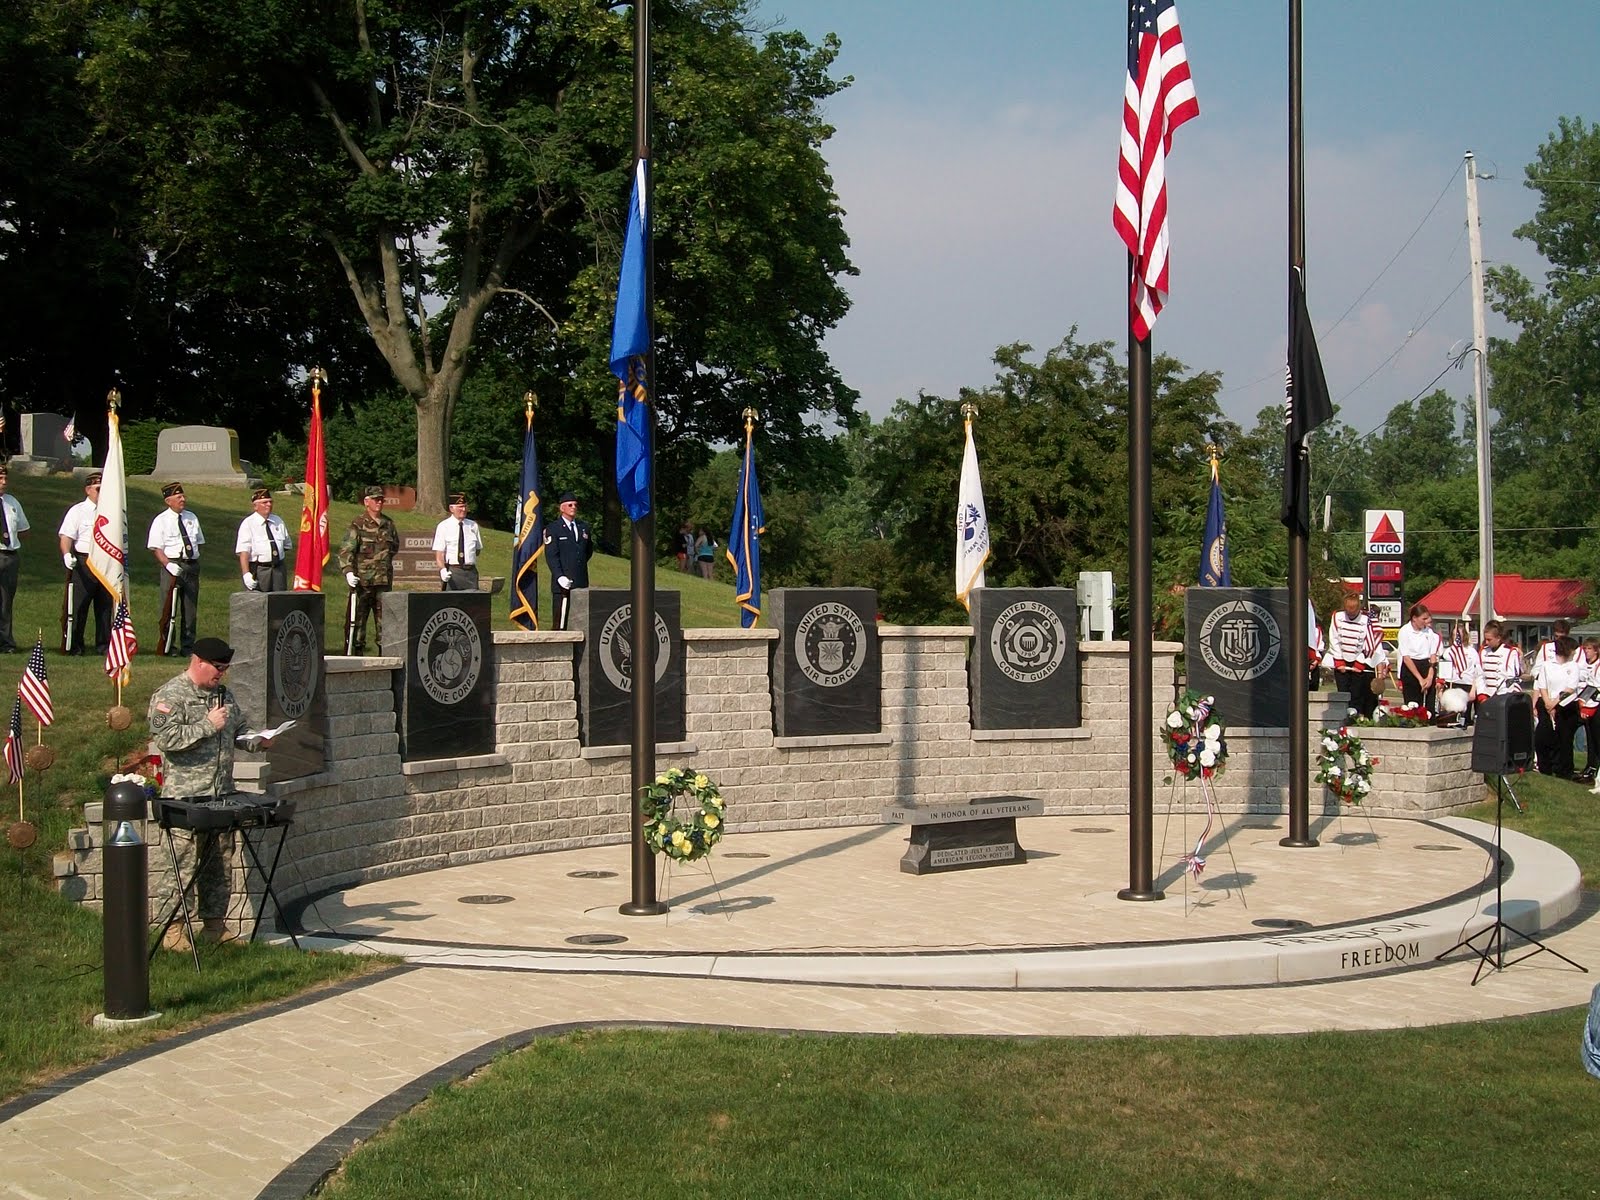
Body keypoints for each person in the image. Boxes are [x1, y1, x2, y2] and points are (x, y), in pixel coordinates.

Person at [147, 637, 272, 947]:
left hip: (220, 796)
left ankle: (215, 926)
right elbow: (167, 740)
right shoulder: (169, 696)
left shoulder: (223, 696)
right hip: (185, 798)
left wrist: (259, 740)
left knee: (219, 863)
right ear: (198, 661)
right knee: (183, 865)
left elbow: (238, 731)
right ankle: (173, 931)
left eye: (225, 669)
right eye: (218, 668)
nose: (221, 675)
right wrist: (207, 725)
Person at [338, 486, 400, 653]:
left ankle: (385, 663)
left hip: (383, 583)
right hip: (363, 584)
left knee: (385, 628)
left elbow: (394, 548)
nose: (379, 502)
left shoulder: (388, 524)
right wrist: (349, 571)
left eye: (381, 499)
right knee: (357, 626)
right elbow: (346, 551)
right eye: (375, 499)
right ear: (367, 502)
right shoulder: (358, 524)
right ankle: (355, 661)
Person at [147, 481, 204, 656]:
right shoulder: (161, 520)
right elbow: (156, 547)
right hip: (171, 565)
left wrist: (192, 559)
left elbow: (199, 542)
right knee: (169, 608)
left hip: (190, 566)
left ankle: (188, 647)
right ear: (168, 500)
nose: (183, 499)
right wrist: (168, 564)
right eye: (178, 497)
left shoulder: (191, 517)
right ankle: (167, 646)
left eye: (183, 496)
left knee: (190, 610)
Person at [59, 472, 112, 656]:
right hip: (84, 561)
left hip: (106, 562)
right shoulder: (78, 511)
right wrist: (67, 554)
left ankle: (104, 646)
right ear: (88, 490)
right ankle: (75, 645)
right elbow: (66, 536)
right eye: (98, 489)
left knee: (105, 606)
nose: (101, 493)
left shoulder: (111, 511)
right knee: (79, 606)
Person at [1324, 592, 1387, 719]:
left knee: (1356, 693)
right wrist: (1339, 660)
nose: (1350, 614)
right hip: (1341, 659)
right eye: (1348, 611)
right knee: (1342, 692)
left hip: (1359, 661)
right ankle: (1342, 717)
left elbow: (1368, 643)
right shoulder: (1337, 617)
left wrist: (1360, 662)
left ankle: (1355, 717)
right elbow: (1334, 639)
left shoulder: (1366, 620)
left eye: (1353, 611)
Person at [1532, 635, 1582, 778]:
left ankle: (1564, 770)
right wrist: (1547, 702)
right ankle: (1545, 767)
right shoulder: (1548, 665)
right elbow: (1542, 684)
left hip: (1566, 705)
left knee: (1565, 739)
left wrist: (1555, 703)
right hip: (1547, 702)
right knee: (1543, 737)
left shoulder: (1573, 666)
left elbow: (1571, 688)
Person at [543, 490, 592, 630]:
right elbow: (551, 555)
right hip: (562, 583)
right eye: (570, 505)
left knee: (580, 622)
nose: (573, 508)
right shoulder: (553, 528)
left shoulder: (583, 527)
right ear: (562, 508)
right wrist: (559, 576)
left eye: (575, 505)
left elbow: (587, 551)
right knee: (561, 622)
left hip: (580, 581)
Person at [235, 488, 293, 593]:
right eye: (264, 502)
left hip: (278, 569)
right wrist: (246, 574)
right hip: (259, 569)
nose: (269, 505)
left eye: (270, 502)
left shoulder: (277, 521)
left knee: (280, 601)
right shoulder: (248, 524)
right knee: (258, 603)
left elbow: (286, 545)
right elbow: (244, 552)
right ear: (255, 506)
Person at [432, 492, 483, 592]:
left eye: (465, 506)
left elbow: (478, 550)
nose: (463, 510)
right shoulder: (444, 526)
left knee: (472, 604)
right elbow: (439, 554)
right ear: (451, 509)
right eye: (460, 507)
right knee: (452, 604)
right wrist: (442, 570)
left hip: (470, 573)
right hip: (453, 572)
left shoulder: (473, 526)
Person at [1396, 602, 1442, 714]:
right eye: (1423, 619)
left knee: (1429, 706)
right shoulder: (1405, 631)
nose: (1426, 622)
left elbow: (1432, 655)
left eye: (1427, 619)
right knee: (1412, 705)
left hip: (1426, 665)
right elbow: (1406, 657)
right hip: (1410, 667)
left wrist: (1430, 676)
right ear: (1414, 618)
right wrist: (1420, 679)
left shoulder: (1429, 632)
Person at [0, 464, 26, 653]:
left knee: (6, 601)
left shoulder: (11, 502)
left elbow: (24, 529)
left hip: (9, 556)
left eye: (5, 479)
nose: (4, 482)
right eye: (0, 478)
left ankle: (6, 642)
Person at [1437, 624, 1482, 728]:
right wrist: (1440, 690)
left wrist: (1473, 690)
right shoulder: (1448, 652)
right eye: (1454, 635)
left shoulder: (1472, 652)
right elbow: (1442, 673)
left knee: (1464, 718)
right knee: (1451, 716)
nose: (1456, 637)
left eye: (1459, 635)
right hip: (1452, 684)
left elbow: (1477, 673)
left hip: (1467, 684)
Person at [1474, 620, 1524, 703]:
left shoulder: (1510, 652)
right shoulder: (1483, 651)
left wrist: (1509, 696)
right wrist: (1482, 695)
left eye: (1489, 640)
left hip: (1504, 696)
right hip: (1486, 697)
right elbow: (1479, 675)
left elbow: (1513, 678)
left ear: (1498, 638)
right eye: (1485, 639)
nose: (1486, 642)